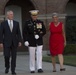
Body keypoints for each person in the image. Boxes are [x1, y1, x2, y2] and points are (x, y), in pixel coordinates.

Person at [0, 10, 22, 75]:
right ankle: (7, 66)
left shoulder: (16, 23)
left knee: (14, 57)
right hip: (6, 43)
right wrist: (1, 42)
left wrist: (19, 41)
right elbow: (1, 33)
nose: (12, 15)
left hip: (14, 42)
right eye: (10, 14)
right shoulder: (3, 23)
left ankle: (13, 70)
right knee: (6, 56)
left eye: (12, 14)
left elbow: (18, 33)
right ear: (7, 16)